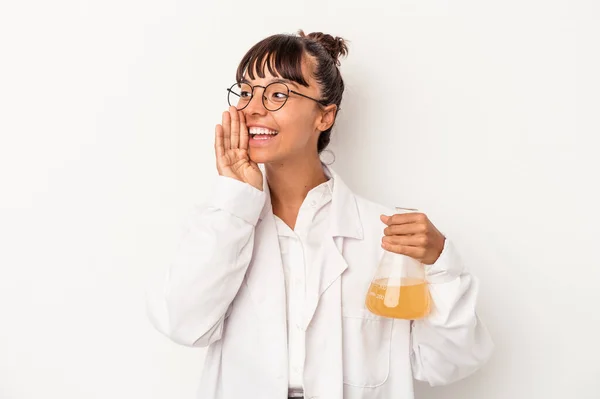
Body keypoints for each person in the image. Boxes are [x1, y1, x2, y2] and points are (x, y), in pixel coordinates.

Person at [146, 30, 494, 399]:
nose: (252, 108)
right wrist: (236, 200)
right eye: (246, 92)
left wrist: (441, 265)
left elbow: (449, 363)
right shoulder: (223, 224)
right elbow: (182, 325)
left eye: (278, 94)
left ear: (324, 116)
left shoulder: (388, 236)